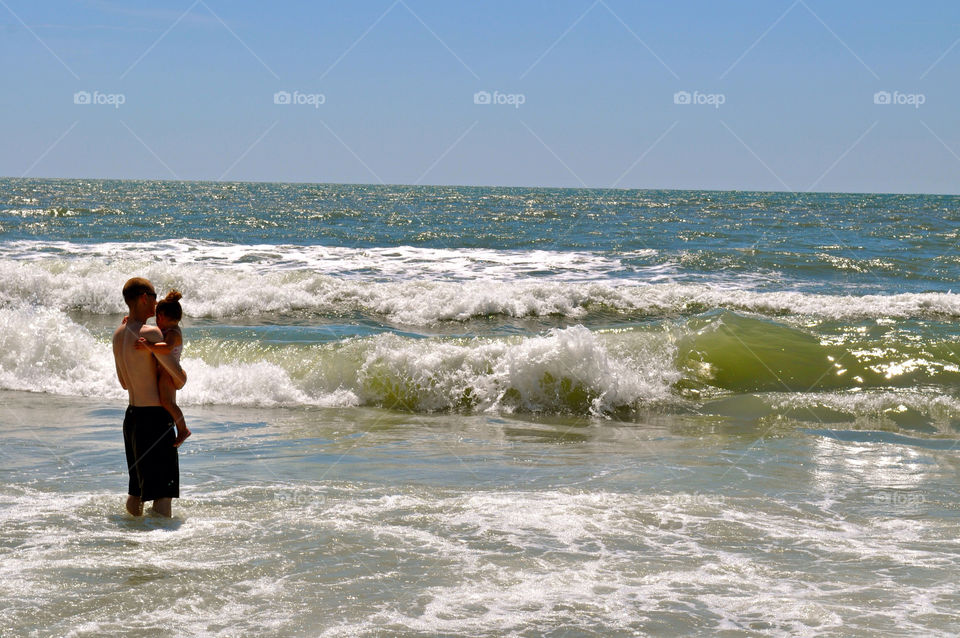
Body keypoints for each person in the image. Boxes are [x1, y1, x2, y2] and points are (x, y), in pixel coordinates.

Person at [112, 277, 187, 518]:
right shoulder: (152, 333)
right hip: (155, 420)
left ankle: (132, 539)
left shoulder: (118, 334)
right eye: (155, 297)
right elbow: (179, 379)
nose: (157, 303)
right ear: (144, 297)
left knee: (136, 492)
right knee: (162, 496)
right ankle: (158, 551)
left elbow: (124, 383)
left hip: (132, 418)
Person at [136, 290, 192, 448]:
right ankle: (180, 427)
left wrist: (149, 346)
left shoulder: (173, 333)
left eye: (156, 318)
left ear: (160, 316)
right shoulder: (168, 329)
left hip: (171, 373)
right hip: (167, 371)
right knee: (166, 401)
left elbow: (166, 348)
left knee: (167, 402)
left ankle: (183, 429)